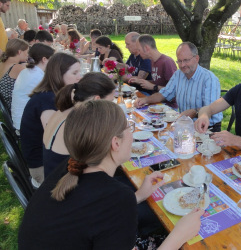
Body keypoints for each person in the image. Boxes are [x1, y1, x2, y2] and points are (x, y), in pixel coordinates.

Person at [18, 100, 204, 249]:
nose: (131, 134)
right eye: (128, 129)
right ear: (115, 143)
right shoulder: (116, 198)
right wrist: (179, 235)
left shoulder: (68, 167)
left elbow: (93, 215)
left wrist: (138, 196)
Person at [20, 53, 81, 187]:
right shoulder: (47, 101)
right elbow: (58, 136)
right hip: (42, 169)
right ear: (59, 74)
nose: (79, 77)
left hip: (43, 160)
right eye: (75, 72)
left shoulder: (51, 94)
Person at [134, 42, 223, 131]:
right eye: (179, 61)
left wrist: (194, 111)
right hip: (185, 126)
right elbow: (164, 94)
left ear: (196, 58)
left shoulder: (209, 79)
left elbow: (211, 109)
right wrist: (145, 100)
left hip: (207, 129)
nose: (182, 65)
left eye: (186, 60)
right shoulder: (179, 74)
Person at [43, 72, 116, 177]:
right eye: (111, 102)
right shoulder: (78, 124)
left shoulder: (67, 109)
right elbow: (102, 158)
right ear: (97, 99)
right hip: (63, 185)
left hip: (54, 177)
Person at [11, 43, 55, 131]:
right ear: (44, 59)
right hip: (25, 125)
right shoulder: (38, 76)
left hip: (19, 120)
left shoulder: (27, 71)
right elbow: (52, 98)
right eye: (52, 59)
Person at [0, 39, 29, 111]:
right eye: (27, 52)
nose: (28, 55)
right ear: (19, 52)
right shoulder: (17, 68)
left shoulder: (2, 63)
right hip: (11, 108)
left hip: (3, 107)